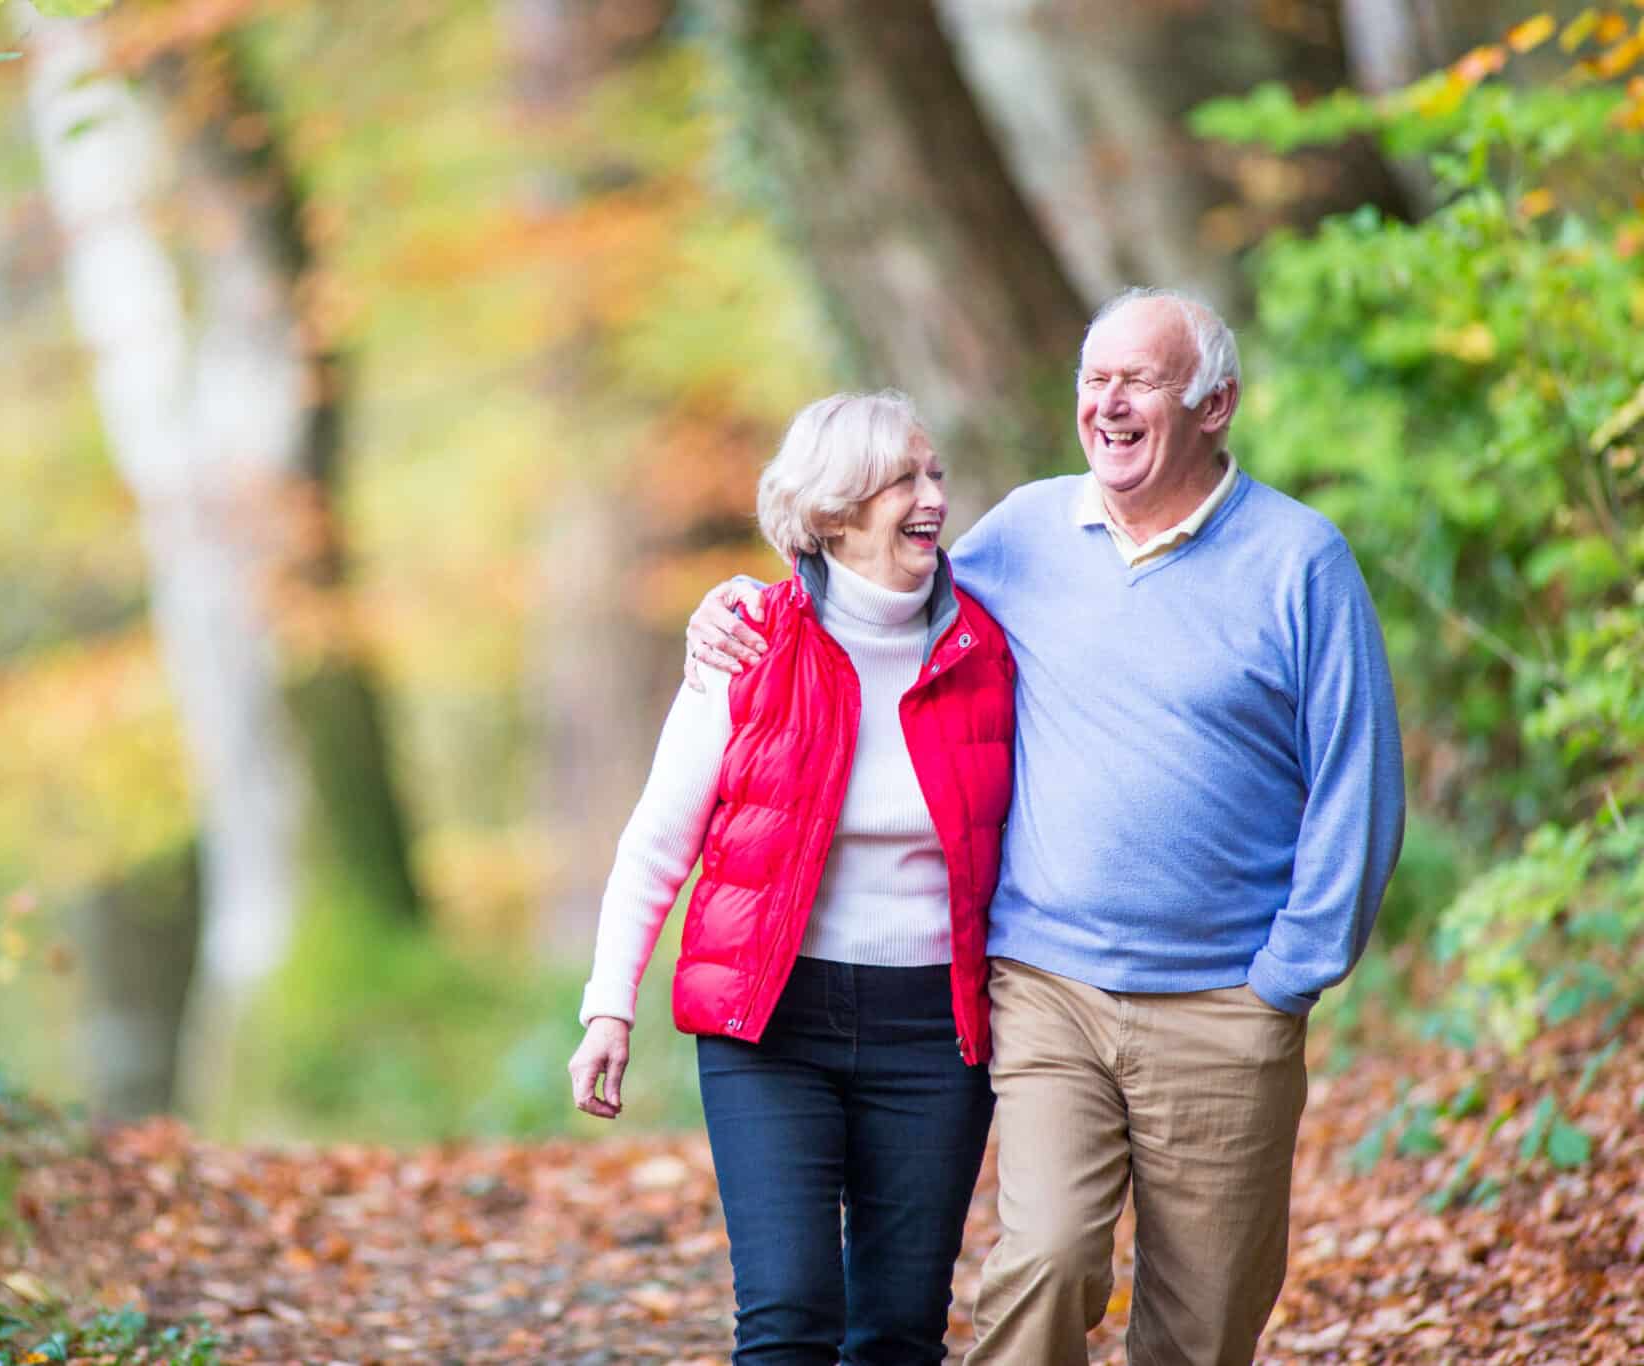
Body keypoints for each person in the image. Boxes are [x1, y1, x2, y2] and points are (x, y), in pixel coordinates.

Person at [683, 289, 1405, 1365]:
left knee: (1202, 1320)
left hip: (1223, 1001)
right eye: (1092, 379)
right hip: (1044, 983)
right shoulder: (1022, 531)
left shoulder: (1299, 563)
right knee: (1046, 1263)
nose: (1106, 403)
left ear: (1216, 405)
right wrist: (743, 602)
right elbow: (877, 599)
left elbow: (1357, 785)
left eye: (1139, 381)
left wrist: (1286, 978)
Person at [567, 389, 1015, 1364]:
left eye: (933, 471)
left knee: (897, 1326)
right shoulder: (746, 644)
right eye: (903, 477)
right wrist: (608, 1007)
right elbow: (655, 843)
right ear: (832, 510)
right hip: (771, 1028)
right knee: (787, 1312)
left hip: (933, 1035)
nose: (931, 493)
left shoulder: (989, 645)